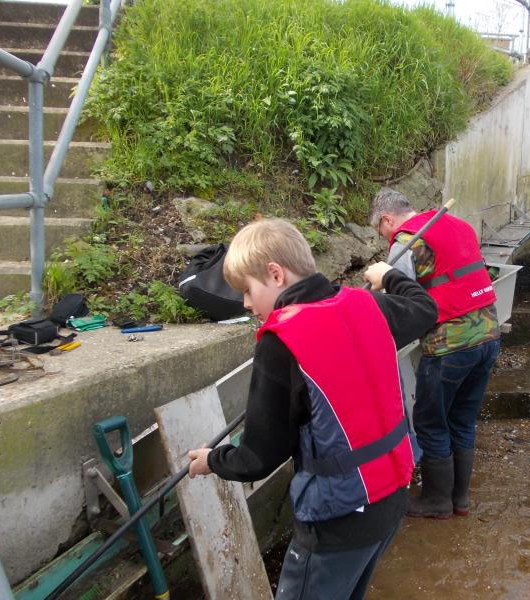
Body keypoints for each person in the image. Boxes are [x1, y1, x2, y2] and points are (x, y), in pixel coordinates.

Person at [187, 218, 438, 600]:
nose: (246, 303)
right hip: (391, 496)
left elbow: (258, 457)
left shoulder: (279, 341)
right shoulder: (367, 304)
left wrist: (213, 460)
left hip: (337, 519)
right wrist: (389, 277)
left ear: (274, 274)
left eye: (248, 290)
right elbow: (424, 308)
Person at [370, 189, 500, 519]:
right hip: (488, 336)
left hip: (449, 347)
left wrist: (383, 285)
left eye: (380, 231)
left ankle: (436, 502)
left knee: (430, 423)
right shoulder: (456, 224)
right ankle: (460, 500)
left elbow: (408, 304)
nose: (385, 238)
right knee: (462, 420)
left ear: (387, 219)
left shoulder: (406, 241)